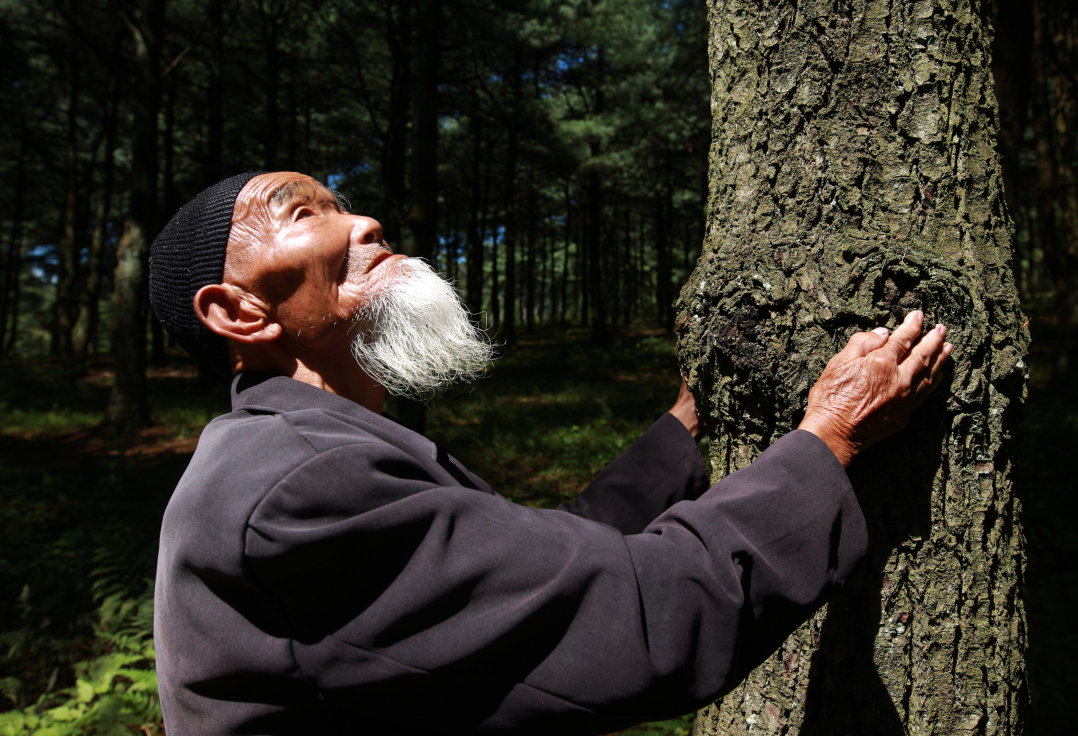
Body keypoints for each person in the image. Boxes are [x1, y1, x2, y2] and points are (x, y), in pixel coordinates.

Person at [149, 172, 952, 735]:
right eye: (303, 214)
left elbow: (547, 561)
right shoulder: (300, 483)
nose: (364, 224)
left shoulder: (296, 450)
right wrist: (827, 441)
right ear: (238, 312)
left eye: (345, 204)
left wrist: (682, 425)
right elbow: (630, 617)